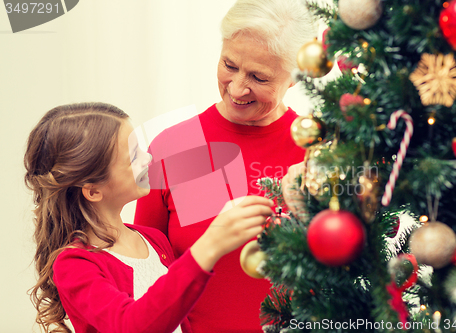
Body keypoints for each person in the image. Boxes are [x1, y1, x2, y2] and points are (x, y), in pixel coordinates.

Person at [134, 0, 317, 331]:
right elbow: (145, 273)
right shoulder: (174, 147)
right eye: (229, 65)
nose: (237, 88)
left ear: (294, 77)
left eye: (259, 77)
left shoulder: (318, 153)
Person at [25, 102, 273, 333]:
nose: (148, 158)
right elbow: (132, 325)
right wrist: (210, 244)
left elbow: (174, 307)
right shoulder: (74, 264)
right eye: (133, 157)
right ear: (93, 190)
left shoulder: (154, 240)